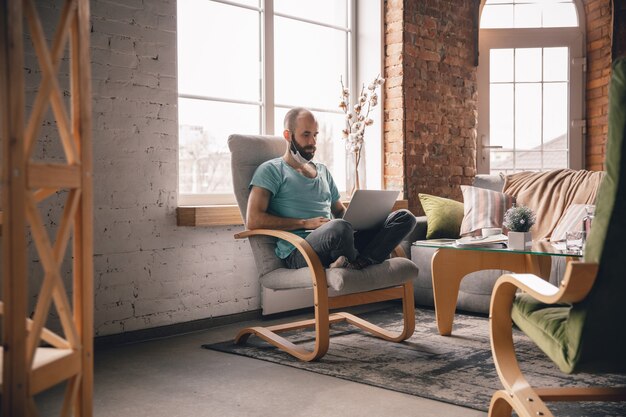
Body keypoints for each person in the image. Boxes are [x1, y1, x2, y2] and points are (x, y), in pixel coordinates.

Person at [247, 107, 416, 269]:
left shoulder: (322, 171)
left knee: (405, 217)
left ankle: (360, 262)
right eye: (306, 135)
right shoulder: (271, 170)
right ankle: (358, 259)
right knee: (339, 227)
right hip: (301, 251)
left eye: (315, 135)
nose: (312, 142)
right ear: (287, 135)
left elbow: (340, 212)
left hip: (340, 241)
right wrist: (305, 223)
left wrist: (368, 220)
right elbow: (253, 220)